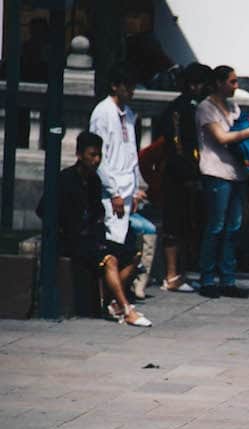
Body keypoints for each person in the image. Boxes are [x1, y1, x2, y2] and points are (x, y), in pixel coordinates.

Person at [38, 131, 151, 326]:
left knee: (133, 254)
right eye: (92, 155)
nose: (96, 160)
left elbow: (97, 213)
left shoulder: (94, 181)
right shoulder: (65, 179)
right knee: (110, 260)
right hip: (71, 239)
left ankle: (111, 301)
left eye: (99, 155)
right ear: (80, 155)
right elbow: (43, 209)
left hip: (92, 238)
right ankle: (126, 310)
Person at [88, 62, 158, 302]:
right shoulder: (102, 113)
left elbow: (131, 154)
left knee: (129, 244)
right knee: (114, 245)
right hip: (111, 191)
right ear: (115, 86)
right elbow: (100, 158)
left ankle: (121, 292)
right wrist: (114, 192)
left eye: (132, 87)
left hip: (128, 188)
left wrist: (137, 188)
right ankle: (109, 298)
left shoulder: (128, 114)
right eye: (127, 87)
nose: (131, 91)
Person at [196, 65, 249, 298]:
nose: (236, 86)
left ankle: (228, 278)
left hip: (237, 173)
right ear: (219, 83)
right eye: (232, 82)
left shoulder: (233, 107)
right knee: (215, 226)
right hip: (216, 172)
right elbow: (222, 138)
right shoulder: (206, 108)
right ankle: (207, 277)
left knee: (233, 227)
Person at [158, 62, 211, 292]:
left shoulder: (199, 107)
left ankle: (182, 272)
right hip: (177, 175)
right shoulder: (180, 109)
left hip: (193, 173)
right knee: (174, 224)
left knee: (188, 225)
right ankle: (171, 275)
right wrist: (187, 173)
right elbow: (177, 144)